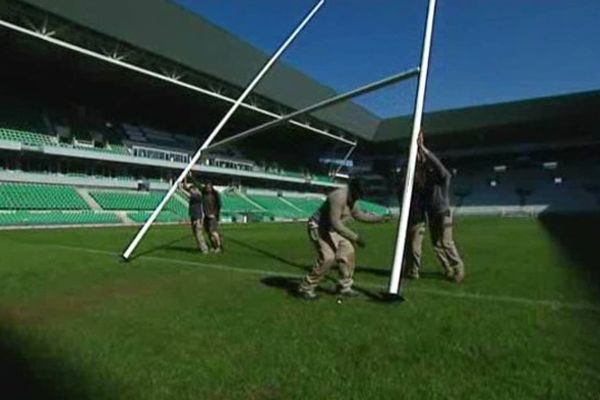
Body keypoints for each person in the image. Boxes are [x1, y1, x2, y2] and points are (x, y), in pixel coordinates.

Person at [298, 178, 389, 300]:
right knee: (328, 258)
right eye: (359, 194)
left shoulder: (353, 199)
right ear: (353, 189)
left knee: (348, 252)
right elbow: (336, 223)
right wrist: (355, 237)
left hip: (333, 229)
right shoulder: (337, 197)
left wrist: (379, 218)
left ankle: (344, 287)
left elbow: (359, 215)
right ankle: (306, 288)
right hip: (318, 227)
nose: (359, 197)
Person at [403, 132, 465, 282]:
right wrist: (416, 150)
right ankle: (448, 269)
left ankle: (458, 268)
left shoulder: (443, 179)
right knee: (436, 245)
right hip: (432, 215)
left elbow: (439, 167)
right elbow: (419, 168)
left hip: (443, 213)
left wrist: (423, 148)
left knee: (446, 242)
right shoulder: (426, 182)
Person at [179, 174, 209, 254]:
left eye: (192, 189)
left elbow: (187, 194)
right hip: (193, 216)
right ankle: (200, 247)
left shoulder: (197, 196)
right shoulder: (195, 194)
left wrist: (180, 188)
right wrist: (185, 177)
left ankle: (204, 248)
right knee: (195, 233)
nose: (191, 190)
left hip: (197, 217)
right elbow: (186, 186)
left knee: (198, 233)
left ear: (196, 190)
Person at [201, 182, 223, 253]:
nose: (208, 189)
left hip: (212, 217)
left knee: (213, 231)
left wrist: (214, 214)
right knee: (208, 232)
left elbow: (218, 206)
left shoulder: (214, 195)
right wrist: (191, 177)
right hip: (206, 216)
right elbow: (197, 185)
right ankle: (213, 246)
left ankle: (219, 246)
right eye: (207, 187)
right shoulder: (204, 194)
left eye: (209, 187)